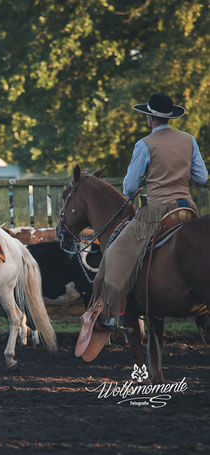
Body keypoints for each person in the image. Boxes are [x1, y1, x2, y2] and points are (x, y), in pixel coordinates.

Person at [76, 93, 208, 357]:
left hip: (156, 210)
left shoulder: (144, 144)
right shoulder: (189, 140)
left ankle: (113, 313)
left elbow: (129, 186)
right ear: (170, 117)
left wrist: (146, 181)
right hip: (186, 209)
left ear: (150, 117)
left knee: (115, 253)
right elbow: (202, 177)